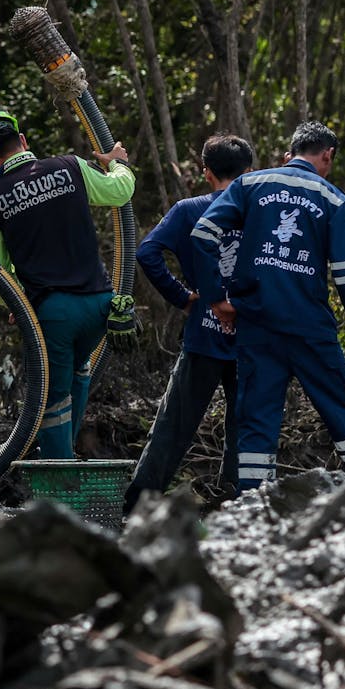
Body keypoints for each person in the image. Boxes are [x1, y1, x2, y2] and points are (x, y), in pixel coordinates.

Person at [190, 121, 345, 498]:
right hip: (310, 329)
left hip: (257, 325)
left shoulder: (250, 185)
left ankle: (251, 510)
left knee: (257, 422)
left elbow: (202, 235)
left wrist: (216, 297)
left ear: (291, 151)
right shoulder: (333, 200)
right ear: (327, 155)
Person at [0, 106, 135, 459]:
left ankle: (59, 485)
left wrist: (17, 305)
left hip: (54, 314)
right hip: (99, 306)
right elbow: (120, 191)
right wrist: (117, 161)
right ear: (23, 140)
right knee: (79, 370)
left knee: (52, 399)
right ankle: (69, 461)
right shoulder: (69, 166)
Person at [125, 134, 254, 512]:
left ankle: (138, 507)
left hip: (203, 335)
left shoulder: (188, 209)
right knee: (243, 426)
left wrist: (183, 297)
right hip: (250, 336)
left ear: (206, 171)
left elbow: (147, 252)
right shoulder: (259, 210)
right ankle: (239, 506)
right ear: (249, 170)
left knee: (174, 425)